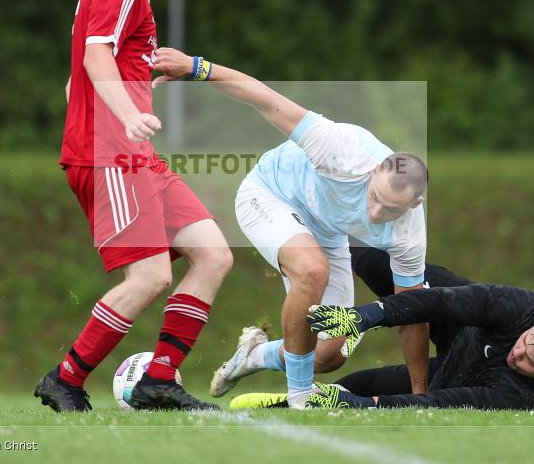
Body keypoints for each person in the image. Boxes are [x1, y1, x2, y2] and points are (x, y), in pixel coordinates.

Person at [34, 0, 232, 412]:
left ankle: (158, 380)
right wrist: (124, 117)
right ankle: (65, 379)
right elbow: (94, 54)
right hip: (109, 157)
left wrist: (140, 90)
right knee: (149, 277)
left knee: (213, 255)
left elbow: (82, 78)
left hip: (133, 154)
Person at [151, 49, 430, 408]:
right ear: (373, 170)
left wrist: (422, 396)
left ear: (414, 204)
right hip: (269, 195)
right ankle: (301, 397)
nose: (374, 213)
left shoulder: (409, 233)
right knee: (312, 270)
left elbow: (412, 314)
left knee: (330, 354)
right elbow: (263, 99)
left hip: (325, 231)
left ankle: (253, 355)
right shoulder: (341, 149)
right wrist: (195, 67)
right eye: (373, 197)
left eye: (390, 209)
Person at [302, 246, 534, 410]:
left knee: (354, 388)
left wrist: (364, 404)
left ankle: (293, 402)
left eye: (529, 362)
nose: (516, 354)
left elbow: (443, 400)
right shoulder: (527, 309)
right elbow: (442, 302)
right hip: (463, 326)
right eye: (524, 342)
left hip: (457, 376)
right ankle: (316, 227)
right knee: (376, 262)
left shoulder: (525, 397)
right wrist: (363, 316)